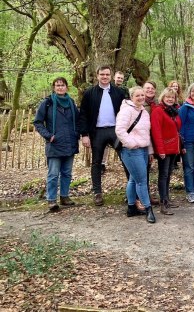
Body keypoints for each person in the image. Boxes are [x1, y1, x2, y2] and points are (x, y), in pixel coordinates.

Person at [78, 66, 125, 206]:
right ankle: (97, 192)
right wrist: (84, 134)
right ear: (97, 76)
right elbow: (83, 115)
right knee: (97, 162)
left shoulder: (119, 92)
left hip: (115, 130)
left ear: (111, 76)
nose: (105, 77)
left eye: (107, 74)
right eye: (102, 74)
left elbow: (126, 112)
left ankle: (132, 190)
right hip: (97, 131)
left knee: (126, 159)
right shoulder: (89, 93)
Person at [34, 77, 80, 211]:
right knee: (53, 174)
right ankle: (51, 200)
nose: (60, 87)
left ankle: (64, 197)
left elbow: (78, 120)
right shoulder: (47, 103)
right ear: (54, 88)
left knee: (67, 173)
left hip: (70, 143)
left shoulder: (71, 103)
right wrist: (49, 136)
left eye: (62, 85)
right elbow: (38, 122)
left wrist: (76, 133)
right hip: (54, 144)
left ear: (67, 87)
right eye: (57, 85)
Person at [116, 86, 155, 223]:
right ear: (131, 97)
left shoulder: (144, 112)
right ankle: (148, 208)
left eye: (142, 95)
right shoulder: (127, 110)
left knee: (133, 179)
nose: (140, 98)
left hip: (143, 150)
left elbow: (147, 133)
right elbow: (120, 130)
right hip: (131, 151)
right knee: (141, 181)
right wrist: (132, 144)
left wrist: (150, 151)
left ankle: (131, 208)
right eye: (137, 96)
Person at [151, 88, 182, 215]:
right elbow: (156, 131)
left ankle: (167, 199)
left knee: (168, 174)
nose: (170, 99)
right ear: (163, 97)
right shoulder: (158, 111)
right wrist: (160, 150)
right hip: (164, 148)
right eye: (168, 97)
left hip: (173, 148)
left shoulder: (173, 111)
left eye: (172, 97)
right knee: (163, 175)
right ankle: (163, 203)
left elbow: (177, 130)